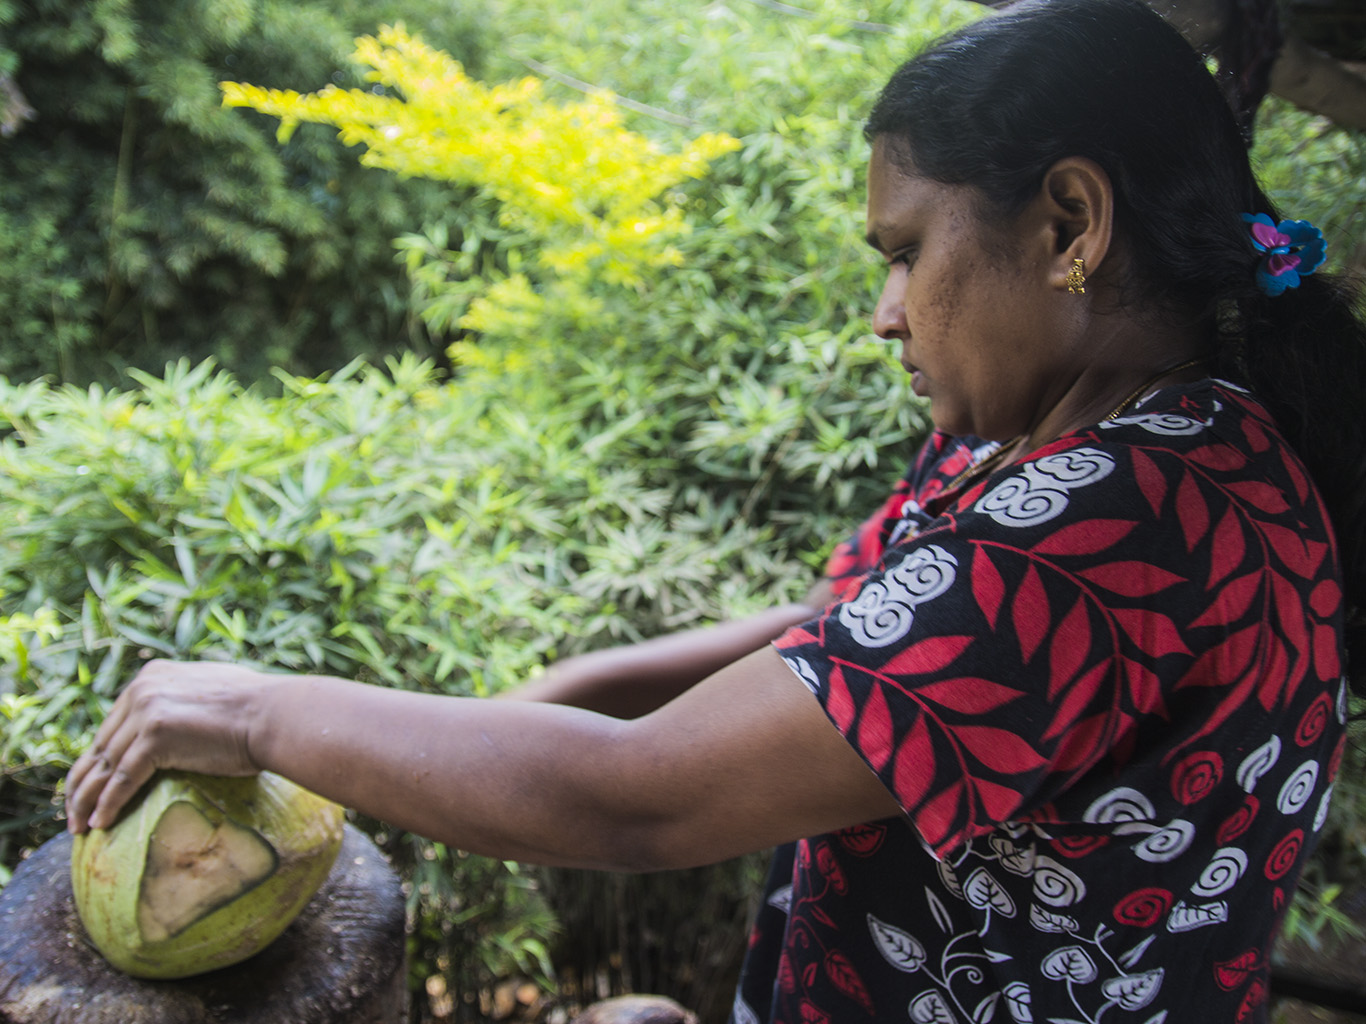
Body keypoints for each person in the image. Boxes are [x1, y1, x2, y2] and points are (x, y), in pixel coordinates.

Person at [65, 0, 1366, 1021]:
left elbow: (644, 800)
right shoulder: (1031, 456)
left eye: (907, 251)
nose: (883, 311)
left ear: (1069, 223)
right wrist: (548, 695)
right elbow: (831, 634)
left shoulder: (1138, 519)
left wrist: (261, 709)